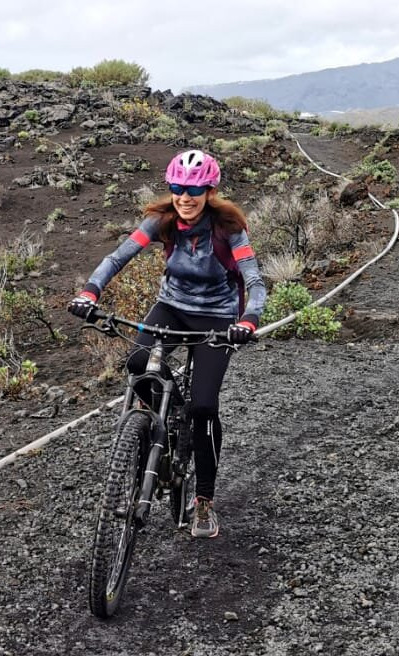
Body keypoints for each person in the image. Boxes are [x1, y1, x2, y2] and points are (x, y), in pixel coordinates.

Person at [68, 149, 266, 538]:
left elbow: (255, 281)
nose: (184, 197)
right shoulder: (161, 221)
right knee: (138, 365)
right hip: (171, 308)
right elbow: (117, 257)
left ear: (210, 191)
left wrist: (248, 320)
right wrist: (90, 291)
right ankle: (157, 419)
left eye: (193, 189)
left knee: (205, 406)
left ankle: (204, 500)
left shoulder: (229, 229)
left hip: (217, 319)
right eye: (177, 187)